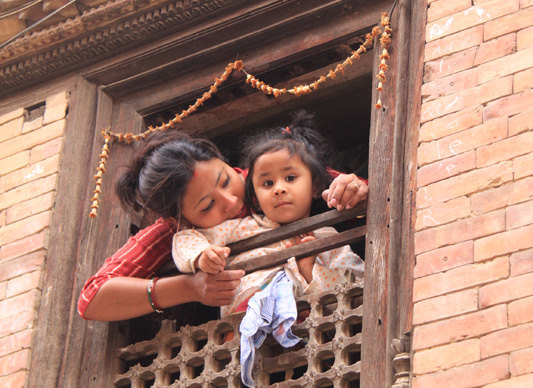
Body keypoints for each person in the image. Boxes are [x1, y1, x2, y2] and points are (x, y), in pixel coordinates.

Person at [78, 128, 368, 322]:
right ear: (177, 220)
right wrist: (190, 287)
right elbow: (92, 298)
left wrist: (353, 188)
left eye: (226, 179)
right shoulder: (175, 232)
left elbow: (367, 190)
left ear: (223, 161)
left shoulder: (267, 175)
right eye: (207, 206)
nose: (230, 201)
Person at [171, 113, 364, 386]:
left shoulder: (328, 238)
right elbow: (185, 238)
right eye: (267, 183)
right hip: (240, 344)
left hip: (311, 350)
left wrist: (310, 270)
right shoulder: (240, 228)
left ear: (315, 186)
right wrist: (201, 255)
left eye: (290, 177)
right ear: (255, 195)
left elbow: (355, 293)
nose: (279, 189)